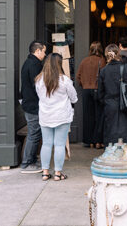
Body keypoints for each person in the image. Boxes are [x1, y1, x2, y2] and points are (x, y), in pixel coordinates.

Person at [36, 53, 78, 181]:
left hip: (45, 115)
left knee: (46, 144)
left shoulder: (39, 80)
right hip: (62, 116)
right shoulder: (65, 80)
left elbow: (40, 96)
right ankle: (58, 174)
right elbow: (74, 98)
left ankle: (45, 173)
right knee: (59, 145)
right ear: (59, 64)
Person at [97, 44, 127, 148]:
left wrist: (106, 102)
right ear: (118, 53)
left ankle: (114, 154)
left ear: (106, 55)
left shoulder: (103, 71)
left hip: (110, 105)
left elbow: (100, 92)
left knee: (112, 133)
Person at [20, 40, 45, 174]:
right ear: (37, 51)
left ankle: (32, 160)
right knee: (34, 134)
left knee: (34, 133)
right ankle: (27, 163)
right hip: (33, 105)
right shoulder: (34, 64)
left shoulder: (28, 63)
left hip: (29, 103)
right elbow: (38, 86)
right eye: (43, 51)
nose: (44, 54)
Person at [76, 41, 105, 149]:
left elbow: (78, 76)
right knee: (99, 116)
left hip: (86, 90)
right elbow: (104, 76)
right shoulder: (102, 61)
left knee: (87, 116)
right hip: (97, 90)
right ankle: (98, 141)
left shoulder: (84, 61)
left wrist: (84, 84)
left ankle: (89, 141)